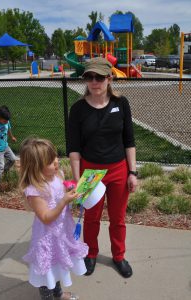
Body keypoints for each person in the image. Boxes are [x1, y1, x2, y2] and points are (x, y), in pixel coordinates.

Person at [68, 57, 137, 278]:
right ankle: (90, 254)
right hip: (91, 172)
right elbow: (74, 149)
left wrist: (132, 172)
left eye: (99, 77)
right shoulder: (78, 109)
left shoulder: (121, 103)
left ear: (109, 78)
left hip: (118, 169)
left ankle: (119, 256)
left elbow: (129, 140)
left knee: (118, 218)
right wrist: (78, 181)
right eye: (90, 77)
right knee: (91, 218)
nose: (94, 82)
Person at [19, 137, 88, 300]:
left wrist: (72, 193)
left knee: (58, 264)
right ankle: (48, 297)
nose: (56, 162)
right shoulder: (34, 190)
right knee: (47, 269)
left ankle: (58, 293)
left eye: (55, 157)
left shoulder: (58, 175)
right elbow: (46, 217)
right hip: (47, 236)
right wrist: (64, 200)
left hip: (62, 230)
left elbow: (62, 192)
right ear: (36, 168)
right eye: (50, 161)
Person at [0, 105, 17, 185]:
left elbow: (8, 129)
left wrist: (12, 137)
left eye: (7, 121)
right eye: (5, 121)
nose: (6, 122)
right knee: (0, 166)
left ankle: (4, 171)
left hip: (5, 146)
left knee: (12, 159)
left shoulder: (7, 121)